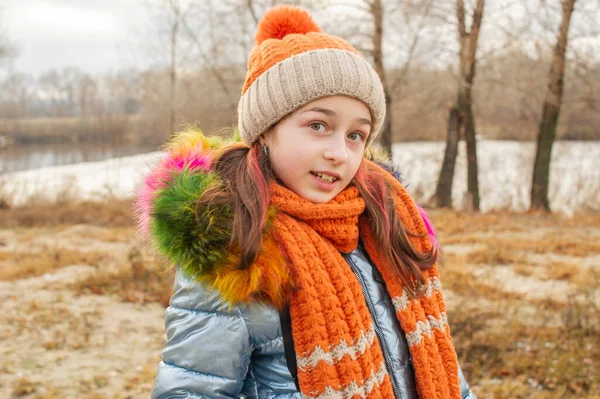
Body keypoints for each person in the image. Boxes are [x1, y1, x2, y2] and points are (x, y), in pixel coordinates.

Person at [136, 5, 477, 399]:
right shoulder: (236, 248)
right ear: (265, 131)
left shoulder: (383, 223)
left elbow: (439, 366)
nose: (340, 153)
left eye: (356, 135)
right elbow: (190, 389)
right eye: (319, 125)